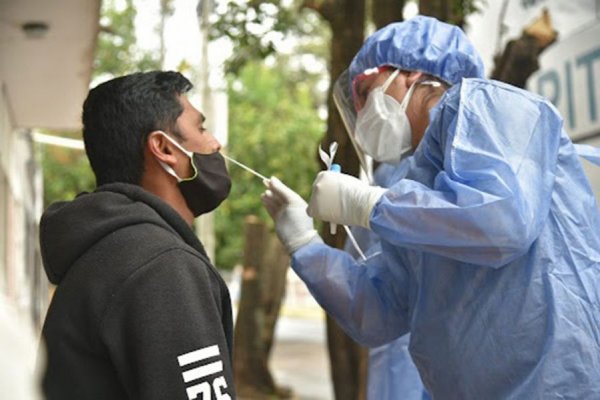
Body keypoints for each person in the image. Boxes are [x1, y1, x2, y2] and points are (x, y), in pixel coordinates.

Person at [262, 16, 600, 399]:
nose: (362, 116)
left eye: (367, 92)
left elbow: (503, 221)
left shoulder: (485, 105)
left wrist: (367, 203)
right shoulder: (415, 189)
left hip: (555, 386)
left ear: (406, 75)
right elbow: (380, 312)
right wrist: (304, 244)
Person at [39, 71, 236, 399]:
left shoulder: (109, 252)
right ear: (163, 148)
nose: (215, 143)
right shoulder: (162, 268)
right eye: (200, 128)